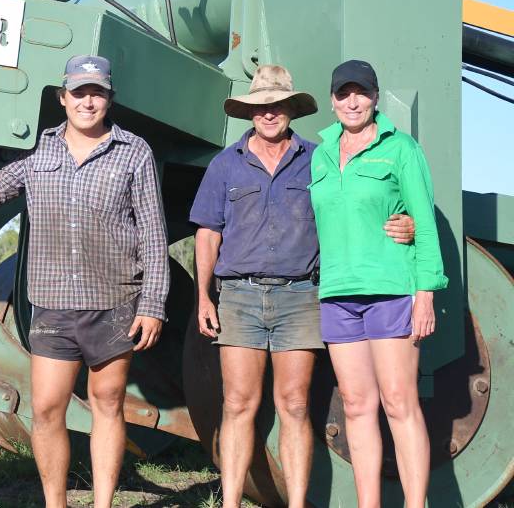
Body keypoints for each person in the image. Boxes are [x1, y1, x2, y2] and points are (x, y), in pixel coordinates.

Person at [189, 65, 414, 507]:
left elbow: (353, 205)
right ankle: (230, 502)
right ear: (249, 112)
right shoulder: (224, 165)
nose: (269, 114)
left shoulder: (320, 159)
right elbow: (207, 234)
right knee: (237, 404)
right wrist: (202, 296)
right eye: (261, 107)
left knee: (294, 405)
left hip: (300, 296)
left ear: (292, 110)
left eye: (278, 106)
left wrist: (403, 220)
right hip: (238, 295)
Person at [0, 54, 168, 508]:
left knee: (107, 403)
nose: (87, 101)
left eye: (96, 92)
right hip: (53, 303)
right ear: (62, 97)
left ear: (109, 99)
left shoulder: (134, 152)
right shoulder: (40, 150)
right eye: (79, 92)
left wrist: (153, 303)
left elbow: (153, 233)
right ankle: (56, 504)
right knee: (47, 408)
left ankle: (103, 503)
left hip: (114, 301)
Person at [309, 59, 445, 508]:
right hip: (337, 295)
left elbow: (423, 225)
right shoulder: (321, 154)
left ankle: (413, 504)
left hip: (390, 290)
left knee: (400, 403)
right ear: (332, 100)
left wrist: (424, 294)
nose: (352, 102)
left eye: (361, 93)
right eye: (344, 93)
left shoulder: (401, 149)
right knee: (355, 406)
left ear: (375, 97)